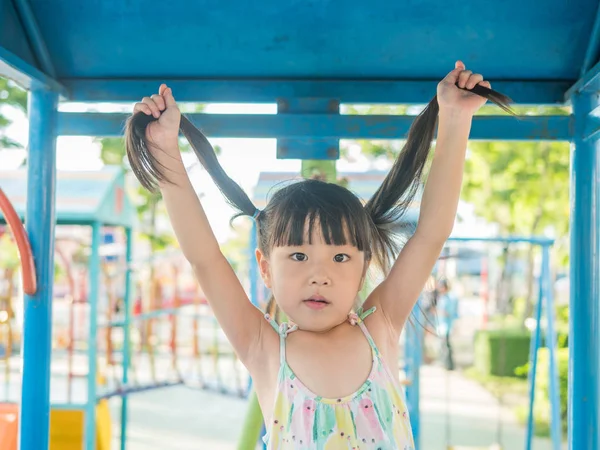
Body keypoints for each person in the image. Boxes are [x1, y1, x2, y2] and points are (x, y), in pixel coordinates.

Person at [125, 61, 513, 449]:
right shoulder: (263, 347)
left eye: (340, 258)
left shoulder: (380, 328)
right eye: (298, 255)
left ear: (363, 271)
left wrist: (455, 119)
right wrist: (164, 150)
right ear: (266, 269)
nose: (319, 275)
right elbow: (205, 258)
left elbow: (431, 233)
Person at [435, 278, 459, 371]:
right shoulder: (442, 298)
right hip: (441, 325)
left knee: (446, 346)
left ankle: (449, 365)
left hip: (446, 326)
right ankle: (446, 364)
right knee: (443, 345)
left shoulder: (449, 298)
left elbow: (449, 312)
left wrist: (438, 312)